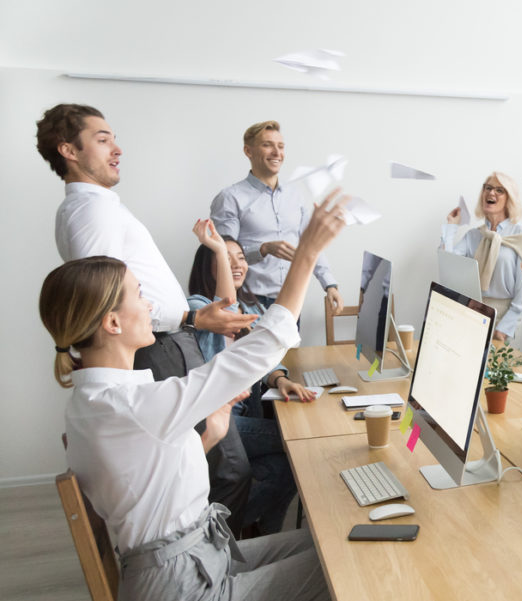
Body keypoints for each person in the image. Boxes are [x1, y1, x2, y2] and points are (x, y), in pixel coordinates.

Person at [39, 192, 347, 601]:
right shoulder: (131, 407)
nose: (150, 304)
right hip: (183, 585)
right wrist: (306, 253)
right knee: (346, 566)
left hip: (194, 559)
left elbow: (144, 486)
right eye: (139, 295)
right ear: (112, 322)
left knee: (333, 542)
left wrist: (207, 437)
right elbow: (262, 345)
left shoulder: (93, 404)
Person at [36, 103, 259, 532]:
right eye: (102, 140)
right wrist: (192, 318)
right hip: (162, 349)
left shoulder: (94, 207)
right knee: (228, 469)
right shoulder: (90, 210)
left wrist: (192, 319)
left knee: (220, 459)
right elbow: (104, 301)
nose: (116, 148)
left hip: (170, 343)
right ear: (69, 150)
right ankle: (213, 571)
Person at [188, 219, 316, 534]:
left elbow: (253, 355)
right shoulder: (197, 307)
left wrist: (280, 379)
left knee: (283, 468)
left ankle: (259, 534)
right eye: (225, 258)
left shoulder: (249, 306)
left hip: (242, 415)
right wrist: (218, 246)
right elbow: (229, 315)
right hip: (219, 421)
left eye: (241, 258)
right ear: (209, 265)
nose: (237, 264)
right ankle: (219, 530)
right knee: (297, 443)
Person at [210, 120, 344, 314]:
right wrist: (263, 249)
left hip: (291, 297)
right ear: (248, 151)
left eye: (280, 146)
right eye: (267, 145)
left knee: (293, 347)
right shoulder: (230, 198)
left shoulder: (294, 195)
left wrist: (329, 284)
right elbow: (221, 257)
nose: (277, 152)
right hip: (251, 302)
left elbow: (311, 242)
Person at [442, 172, 522, 342]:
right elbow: (449, 267)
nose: (491, 193)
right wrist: (450, 228)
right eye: (488, 188)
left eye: (500, 190)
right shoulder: (473, 236)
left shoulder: (520, 234)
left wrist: (503, 329)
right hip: (472, 314)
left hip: (504, 319)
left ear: (509, 199)